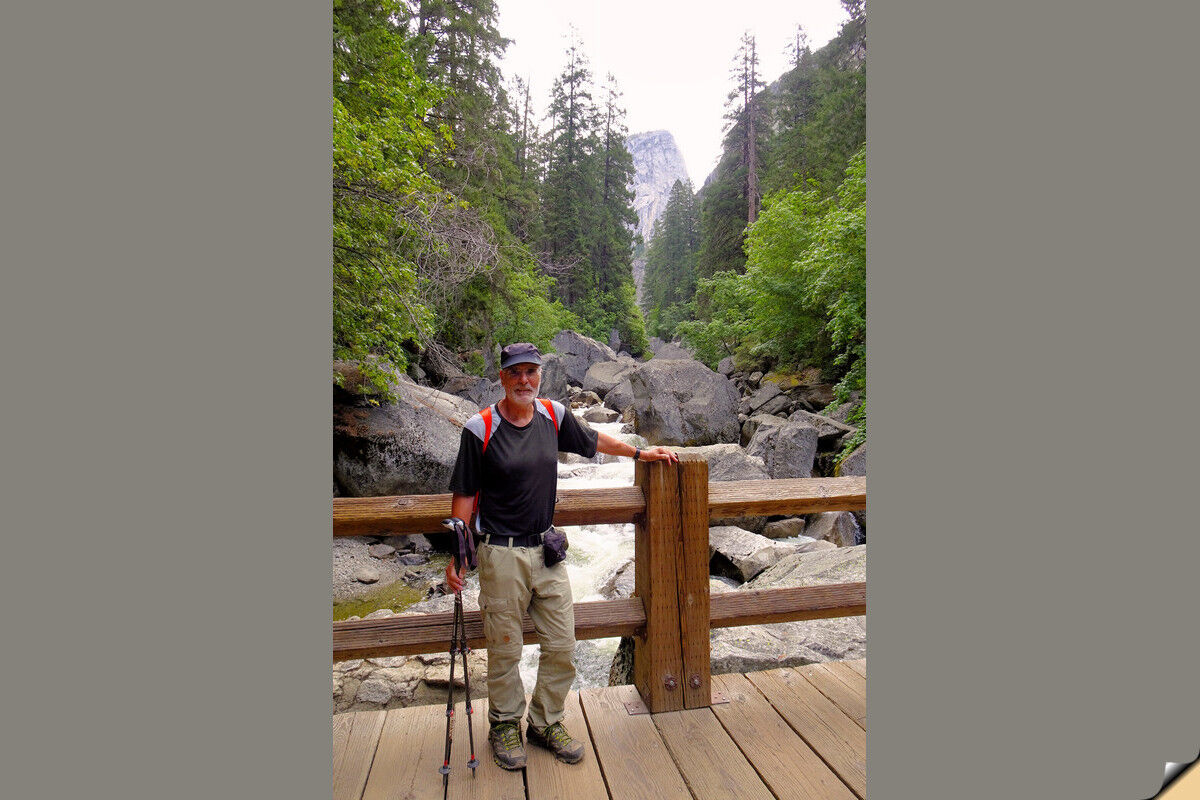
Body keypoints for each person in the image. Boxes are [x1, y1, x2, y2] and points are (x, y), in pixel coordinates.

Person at [445, 342, 677, 769]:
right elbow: (464, 494)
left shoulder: (553, 415)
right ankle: (504, 725)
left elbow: (593, 440)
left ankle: (544, 722)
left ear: (540, 375)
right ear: (502, 378)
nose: (524, 380)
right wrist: (459, 556)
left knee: (562, 645)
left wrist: (640, 453)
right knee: (505, 648)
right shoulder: (480, 429)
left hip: (546, 550)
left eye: (531, 372)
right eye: (515, 373)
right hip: (500, 554)